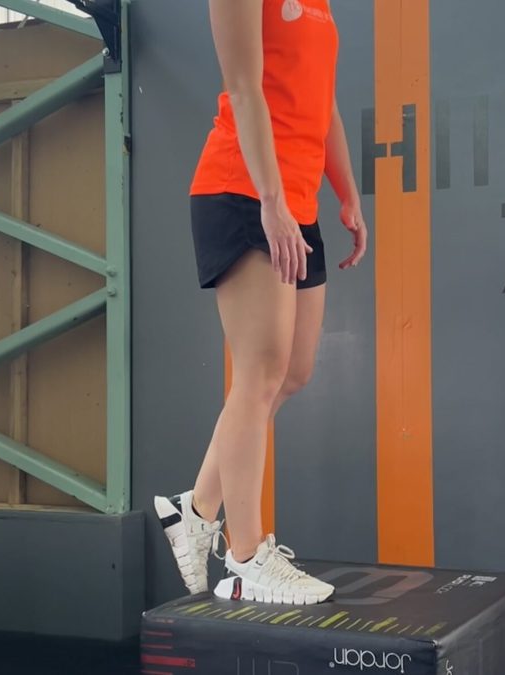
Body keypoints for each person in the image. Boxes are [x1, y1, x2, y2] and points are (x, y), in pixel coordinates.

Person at [154, 0, 367, 605]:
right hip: (243, 190)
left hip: (295, 200)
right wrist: (272, 202)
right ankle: (246, 558)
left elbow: (321, 100)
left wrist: (347, 193)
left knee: (292, 372)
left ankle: (196, 508)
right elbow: (246, 91)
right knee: (259, 374)